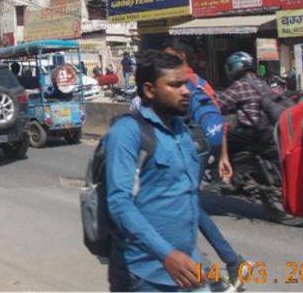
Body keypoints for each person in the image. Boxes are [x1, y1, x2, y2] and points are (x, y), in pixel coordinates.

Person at [105, 50, 204, 291]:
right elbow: (119, 204)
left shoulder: (181, 129)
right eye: (176, 85)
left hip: (189, 266)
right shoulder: (127, 133)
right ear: (150, 90)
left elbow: (188, 195)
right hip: (145, 274)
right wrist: (166, 254)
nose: (186, 91)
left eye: (186, 84)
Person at [161, 39, 245, 289]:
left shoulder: (181, 84)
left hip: (193, 147)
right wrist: (223, 155)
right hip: (204, 147)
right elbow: (219, 119)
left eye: (170, 60)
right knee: (189, 205)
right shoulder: (202, 83)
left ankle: (216, 271)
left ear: (182, 59)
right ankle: (225, 265)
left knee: (185, 205)